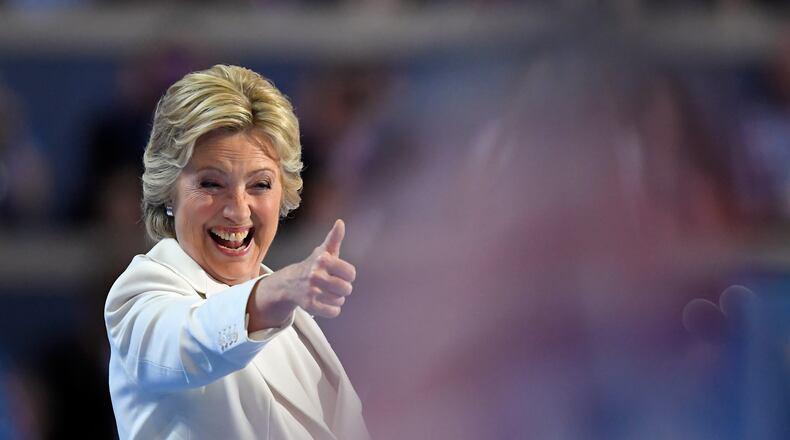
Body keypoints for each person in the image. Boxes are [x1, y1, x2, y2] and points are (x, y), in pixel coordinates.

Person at [104, 64, 369, 440]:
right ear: (168, 192)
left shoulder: (296, 324)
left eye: (260, 184)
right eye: (212, 183)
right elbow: (187, 341)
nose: (238, 209)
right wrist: (276, 292)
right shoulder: (140, 293)